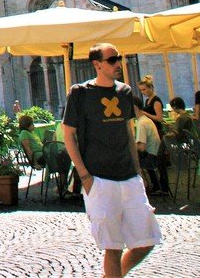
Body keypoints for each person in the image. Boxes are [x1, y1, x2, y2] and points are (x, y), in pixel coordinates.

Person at [62, 43, 160, 278]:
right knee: (113, 248)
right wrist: (85, 176)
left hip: (129, 177)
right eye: (112, 60)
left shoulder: (125, 91)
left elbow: (127, 132)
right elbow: (68, 134)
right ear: (97, 64)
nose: (118, 64)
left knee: (147, 240)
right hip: (99, 179)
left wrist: (138, 172)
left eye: (119, 58)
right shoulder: (80, 92)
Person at [133, 106, 165, 196]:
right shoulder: (146, 120)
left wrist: (130, 146)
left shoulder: (142, 123)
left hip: (151, 158)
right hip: (156, 155)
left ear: (135, 108)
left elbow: (142, 147)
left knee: (130, 162)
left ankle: (142, 187)